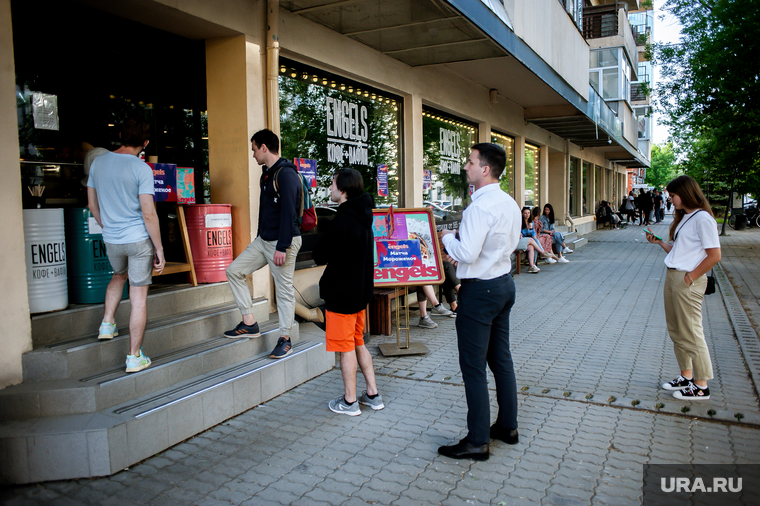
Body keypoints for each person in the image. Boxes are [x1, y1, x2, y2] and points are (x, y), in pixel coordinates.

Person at [438, 143, 521, 461]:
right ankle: (507, 426)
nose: (465, 166)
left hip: (481, 291)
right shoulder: (509, 202)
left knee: (473, 367)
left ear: (485, 169)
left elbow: (466, 253)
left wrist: (447, 238)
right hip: (503, 284)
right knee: (501, 360)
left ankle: (477, 440)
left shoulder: (478, 208)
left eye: (470, 162)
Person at [87, 118, 166, 373]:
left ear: (119, 135)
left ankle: (107, 324)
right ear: (145, 143)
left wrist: (108, 226)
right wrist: (159, 248)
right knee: (138, 296)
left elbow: (92, 205)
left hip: (112, 239)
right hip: (137, 240)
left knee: (118, 275)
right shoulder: (141, 168)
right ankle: (134, 356)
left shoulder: (98, 162)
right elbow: (148, 213)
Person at [224, 129, 303, 359]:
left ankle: (285, 339)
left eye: (254, 150)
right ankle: (249, 322)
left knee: (284, 291)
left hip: (283, 241)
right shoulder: (267, 174)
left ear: (264, 148)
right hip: (264, 240)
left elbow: (289, 212)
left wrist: (282, 246)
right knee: (234, 271)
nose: (253, 155)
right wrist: (261, 236)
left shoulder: (286, 174)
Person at [313, 169, 384, 416]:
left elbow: (320, 254)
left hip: (342, 296)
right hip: (359, 294)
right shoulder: (364, 217)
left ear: (342, 190)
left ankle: (350, 401)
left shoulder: (342, 221)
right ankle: (373, 394)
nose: (330, 189)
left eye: (332, 184)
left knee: (345, 349)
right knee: (358, 343)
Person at [645, 175, 721, 400]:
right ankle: (686, 376)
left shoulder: (703, 219)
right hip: (674, 277)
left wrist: (690, 278)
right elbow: (679, 252)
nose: (671, 199)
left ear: (686, 193)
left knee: (691, 332)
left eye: (673, 195)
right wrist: (659, 242)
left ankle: (701, 384)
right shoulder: (686, 217)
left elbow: (714, 255)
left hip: (687, 280)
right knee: (677, 330)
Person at [519, 208, 543, 273]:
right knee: (533, 241)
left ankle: (532, 265)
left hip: (530, 239)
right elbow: (520, 233)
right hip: (523, 239)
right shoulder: (520, 222)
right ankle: (542, 252)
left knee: (533, 244)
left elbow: (533, 232)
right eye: (525, 213)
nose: (527, 215)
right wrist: (526, 228)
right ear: (522, 214)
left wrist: (534, 236)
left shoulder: (531, 222)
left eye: (528, 213)